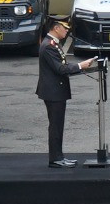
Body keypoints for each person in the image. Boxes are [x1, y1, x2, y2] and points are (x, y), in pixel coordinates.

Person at [37, 17, 103, 168]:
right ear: (56, 28)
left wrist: (81, 67)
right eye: (64, 28)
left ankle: (59, 156)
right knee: (56, 125)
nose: (67, 31)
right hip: (53, 92)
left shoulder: (53, 44)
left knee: (58, 125)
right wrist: (80, 65)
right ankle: (55, 158)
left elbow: (62, 66)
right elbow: (60, 69)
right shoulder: (49, 46)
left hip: (56, 90)